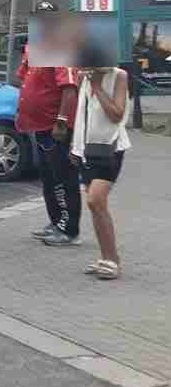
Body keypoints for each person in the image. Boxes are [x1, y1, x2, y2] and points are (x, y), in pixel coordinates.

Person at [18, 2, 82, 246]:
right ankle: (56, 222)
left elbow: (69, 89)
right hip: (38, 125)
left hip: (55, 127)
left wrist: (62, 121)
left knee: (63, 177)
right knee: (48, 178)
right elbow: (24, 79)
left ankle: (69, 229)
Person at [70, 64, 131, 279]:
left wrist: (97, 86)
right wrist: (75, 146)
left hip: (110, 147)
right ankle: (105, 258)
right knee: (96, 206)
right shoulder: (83, 77)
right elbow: (82, 115)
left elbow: (117, 114)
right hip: (88, 149)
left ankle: (113, 260)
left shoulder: (119, 76)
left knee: (95, 200)